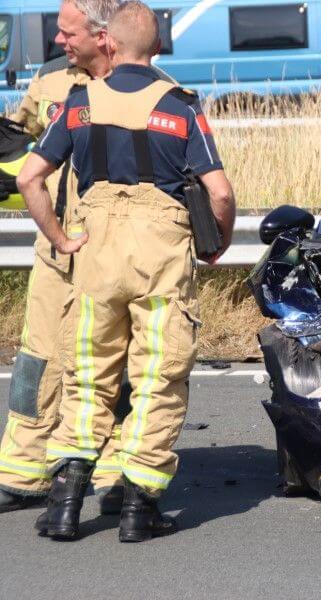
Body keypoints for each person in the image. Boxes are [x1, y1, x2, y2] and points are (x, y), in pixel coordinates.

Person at [17, 0, 236, 542]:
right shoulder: (180, 106)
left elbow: (29, 179)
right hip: (159, 257)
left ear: (109, 42)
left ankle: (65, 507)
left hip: (94, 255)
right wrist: (218, 244)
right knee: (157, 378)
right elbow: (221, 192)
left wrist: (62, 238)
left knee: (87, 376)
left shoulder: (78, 103)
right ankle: (138, 508)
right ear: (157, 47)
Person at [0, 0, 134, 516]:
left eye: (67, 32)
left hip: (114, 253)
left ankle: (112, 471)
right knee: (36, 362)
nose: (58, 41)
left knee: (110, 366)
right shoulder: (51, 83)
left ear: (103, 35)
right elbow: (24, 145)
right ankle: (22, 470)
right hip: (55, 250)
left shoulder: (146, 86)